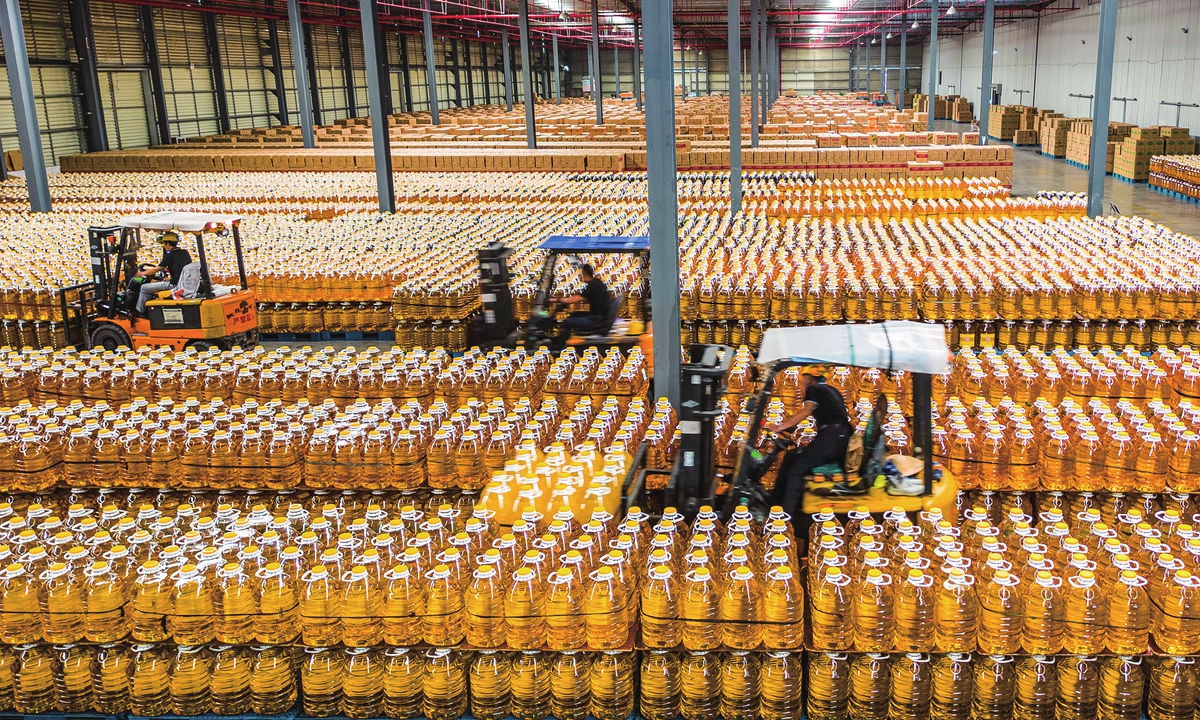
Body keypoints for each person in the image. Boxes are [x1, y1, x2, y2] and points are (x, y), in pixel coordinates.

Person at [765, 365, 852, 516]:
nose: (801, 382)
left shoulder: (814, 389)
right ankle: (775, 503)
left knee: (795, 472)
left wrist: (781, 426)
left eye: (803, 378)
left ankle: (785, 516)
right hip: (838, 437)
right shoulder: (830, 389)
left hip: (831, 437)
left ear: (810, 377)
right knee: (791, 457)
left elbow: (806, 411)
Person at [550, 263, 609, 350]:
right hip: (597, 316)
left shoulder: (593, 285)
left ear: (584, 274)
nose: (579, 278)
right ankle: (560, 340)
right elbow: (582, 296)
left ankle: (559, 347)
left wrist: (560, 300)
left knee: (568, 322)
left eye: (580, 275)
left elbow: (577, 298)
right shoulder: (596, 283)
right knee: (574, 314)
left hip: (596, 319)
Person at [133, 231, 192, 316]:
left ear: (167, 243)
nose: (164, 246)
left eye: (164, 244)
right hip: (183, 282)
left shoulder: (170, 255)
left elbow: (159, 268)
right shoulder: (184, 253)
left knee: (144, 288)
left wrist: (143, 273)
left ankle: (139, 312)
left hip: (175, 284)